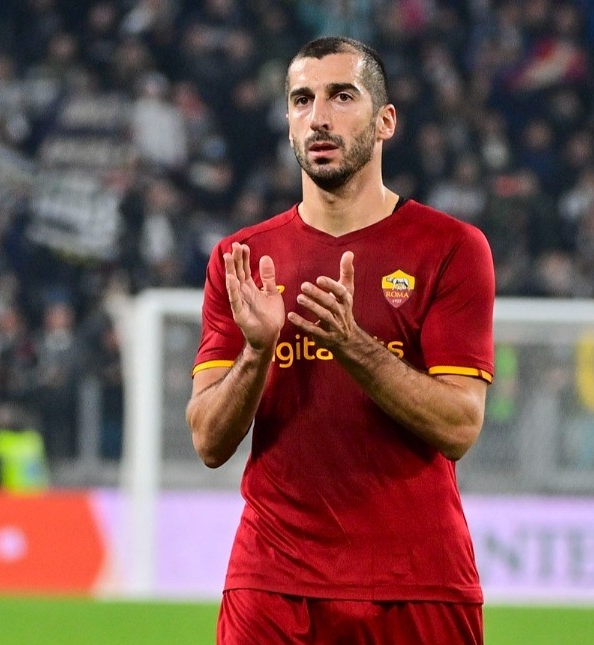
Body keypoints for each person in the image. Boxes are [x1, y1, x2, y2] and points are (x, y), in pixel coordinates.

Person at [186, 36, 495, 644]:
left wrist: (354, 346)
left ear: (385, 122)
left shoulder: (452, 249)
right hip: (272, 583)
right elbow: (208, 441)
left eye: (341, 96)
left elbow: (460, 426)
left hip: (416, 581)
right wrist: (256, 352)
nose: (319, 117)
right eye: (302, 100)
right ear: (288, 122)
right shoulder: (241, 259)